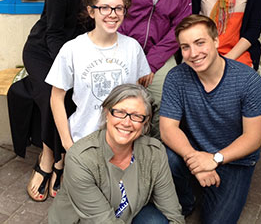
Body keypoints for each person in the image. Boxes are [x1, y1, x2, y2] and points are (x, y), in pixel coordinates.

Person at [22, 0, 119, 202]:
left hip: (84, 49)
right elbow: (53, 33)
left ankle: (63, 156)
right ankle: (51, 157)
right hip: (46, 49)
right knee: (57, 93)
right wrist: (71, 69)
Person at [45, 0, 150, 194]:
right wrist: (67, 144)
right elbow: (56, 97)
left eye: (118, 8)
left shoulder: (132, 48)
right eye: (104, 7)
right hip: (84, 142)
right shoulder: (73, 49)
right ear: (91, 11)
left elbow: (139, 93)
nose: (112, 14)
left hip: (121, 144)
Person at [159, 15, 261, 223]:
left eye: (200, 43)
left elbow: (253, 138)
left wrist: (214, 159)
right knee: (165, 156)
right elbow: (167, 129)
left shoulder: (247, 80)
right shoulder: (176, 77)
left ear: (216, 41)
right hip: (194, 151)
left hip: (235, 159)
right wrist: (195, 159)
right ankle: (185, 200)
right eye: (185, 47)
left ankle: (207, 187)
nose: (193, 53)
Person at [48, 84, 185, 224]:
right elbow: (102, 220)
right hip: (87, 221)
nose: (126, 122)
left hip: (128, 215)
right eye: (119, 112)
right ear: (107, 113)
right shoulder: (80, 158)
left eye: (137, 116)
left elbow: (172, 212)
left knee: (155, 221)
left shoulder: (154, 152)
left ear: (145, 122)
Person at [115, 0, 192, 138]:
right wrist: (135, 57)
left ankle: (154, 154)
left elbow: (180, 24)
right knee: (123, 104)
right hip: (124, 49)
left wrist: (151, 62)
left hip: (160, 53)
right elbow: (113, 16)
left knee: (163, 103)